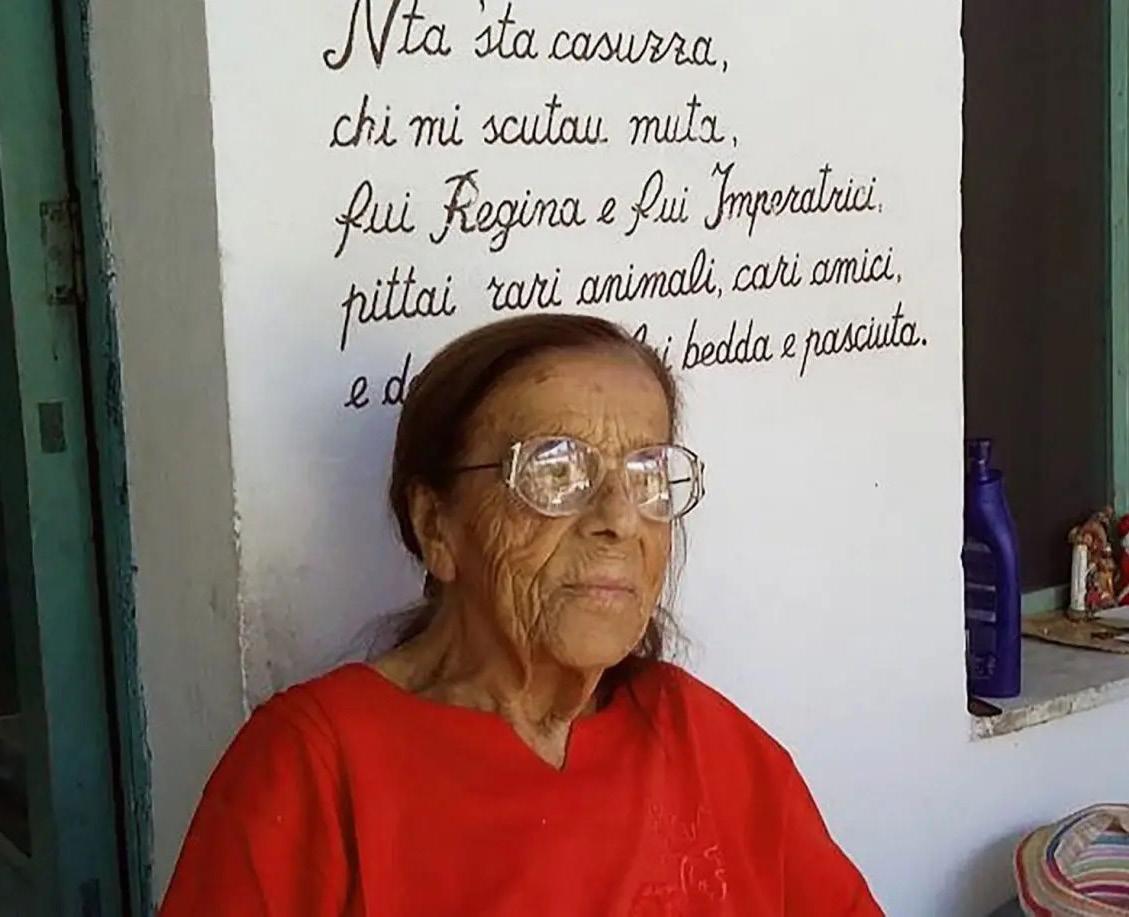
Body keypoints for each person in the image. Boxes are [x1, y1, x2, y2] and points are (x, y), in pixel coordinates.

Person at [161, 314, 882, 916]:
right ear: (437, 526)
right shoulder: (314, 767)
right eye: (555, 470)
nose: (618, 519)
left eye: (647, 476)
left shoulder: (714, 747)